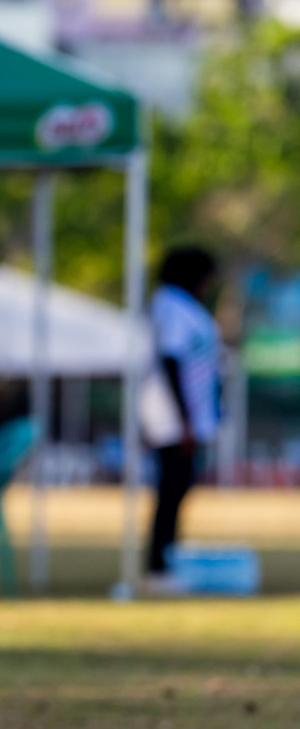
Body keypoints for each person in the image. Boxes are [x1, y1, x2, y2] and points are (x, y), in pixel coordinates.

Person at [145, 246, 221, 581]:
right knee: (172, 488)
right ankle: (159, 564)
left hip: (186, 417)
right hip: (173, 419)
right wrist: (185, 420)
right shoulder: (171, 307)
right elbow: (170, 361)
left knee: (179, 488)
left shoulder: (184, 307)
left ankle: (167, 558)